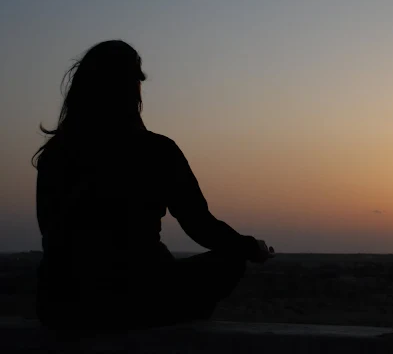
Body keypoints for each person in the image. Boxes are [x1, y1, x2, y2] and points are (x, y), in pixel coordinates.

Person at [32, 40, 275, 330]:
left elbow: (49, 230)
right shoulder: (157, 151)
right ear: (132, 87)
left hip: (60, 305)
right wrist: (250, 247)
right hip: (135, 297)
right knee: (230, 261)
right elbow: (200, 226)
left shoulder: (56, 154)